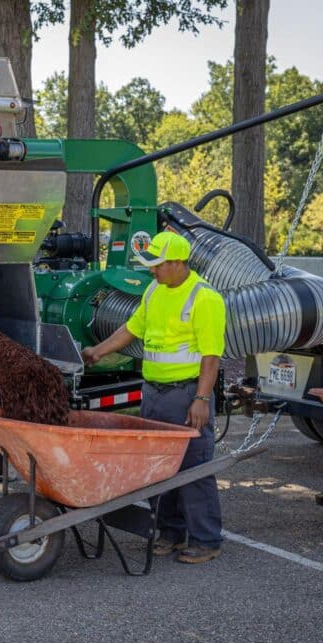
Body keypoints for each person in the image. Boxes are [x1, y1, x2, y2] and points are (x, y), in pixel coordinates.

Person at [82, 230, 227, 564]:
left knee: (193, 467)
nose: (152, 271)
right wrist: (98, 352)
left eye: (157, 265)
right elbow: (132, 329)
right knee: (159, 468)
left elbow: (211, 357)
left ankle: (206, 540)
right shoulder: (154, 291)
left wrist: (202, 400)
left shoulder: (204, 298)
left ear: (177, 263)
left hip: (187, 394)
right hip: (155, 393)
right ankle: (170, 533)